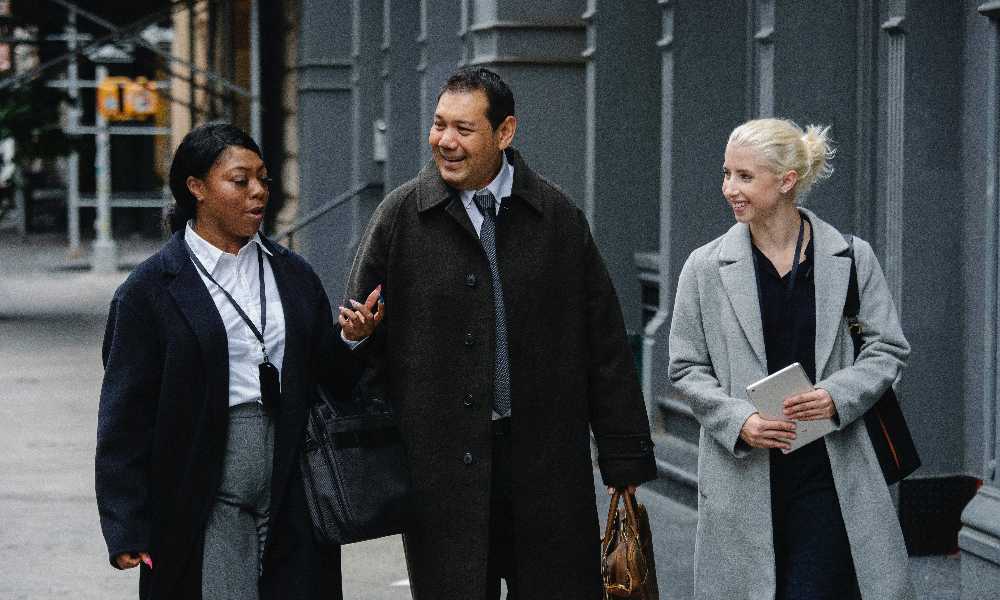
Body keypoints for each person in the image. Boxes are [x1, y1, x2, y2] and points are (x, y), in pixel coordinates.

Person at [344, 67, 657, 599]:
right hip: (440, 474)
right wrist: (356, 339)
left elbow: (603, 341)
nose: (445, 141)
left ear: (505, 132)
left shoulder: (556, 215)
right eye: (439, 125)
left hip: (547, 468)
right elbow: (357, 344)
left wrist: (622, 455)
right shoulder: (400, 216)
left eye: (463, 129)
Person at [95, 122, 381, 600]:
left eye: (264, 179)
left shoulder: (291, 273)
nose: (258, 192)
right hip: (202, 484)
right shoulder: (149, 290)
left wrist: (352, 340)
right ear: (197, 188)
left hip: (293, 475)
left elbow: (326, 376)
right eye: (240, 180)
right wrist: (126, 523)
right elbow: (125, 416)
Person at [668, 118, 914, 599]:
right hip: (745, 475)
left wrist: (834, 397)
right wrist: (739, 420)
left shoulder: (850, 257)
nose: (729, 189)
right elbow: (685, 367)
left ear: (786, 182)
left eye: (744, 176)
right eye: (726, 174)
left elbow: (887, 349)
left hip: (830, 472)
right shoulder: (704, 267)